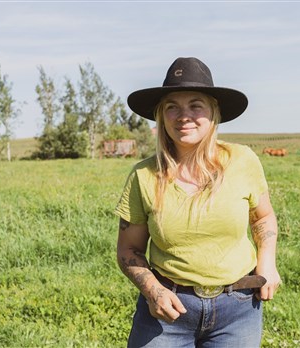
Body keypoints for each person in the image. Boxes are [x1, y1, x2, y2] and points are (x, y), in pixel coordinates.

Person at [114, 57, 281, 347]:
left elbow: (263, 217)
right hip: (167, 312)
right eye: (172, 107)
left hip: (238, 308)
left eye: (195, 105)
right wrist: (153, 290)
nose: (183, 115)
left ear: (213, 112)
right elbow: (128, 250)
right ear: (161, 116)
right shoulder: (144, 175)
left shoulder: (243, 161)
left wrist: (267, 261)